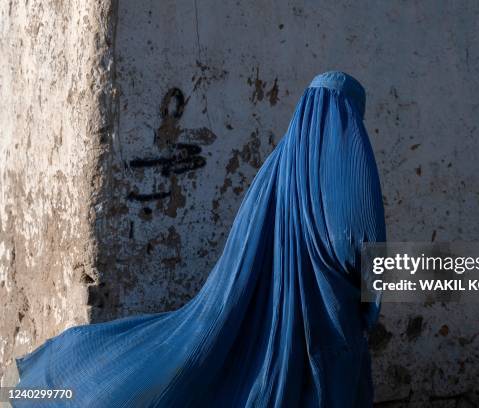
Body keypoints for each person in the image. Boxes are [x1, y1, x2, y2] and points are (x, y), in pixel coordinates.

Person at [13, 71, 386, 407]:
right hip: (325, 336)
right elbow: (361, 247)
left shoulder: (273, 173)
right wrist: (431, 277)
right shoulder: (348, 170)